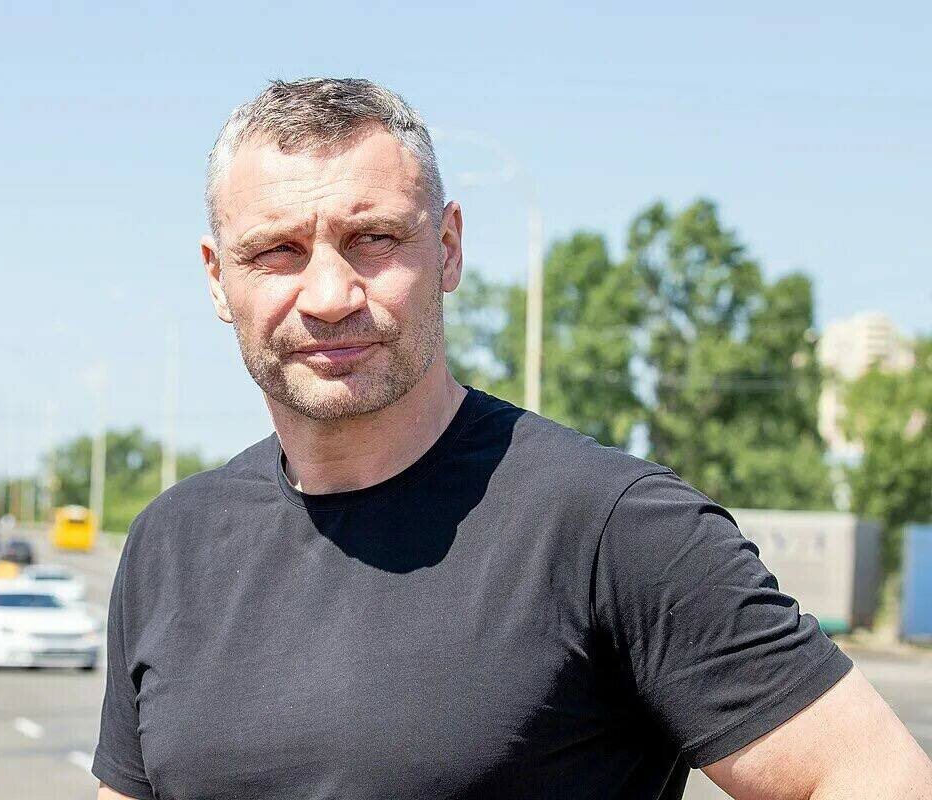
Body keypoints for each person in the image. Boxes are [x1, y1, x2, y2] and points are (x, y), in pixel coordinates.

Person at [93, 78, 932, 799]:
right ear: (218, 279)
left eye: (373, 239)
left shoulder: (612, 525)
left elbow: (874, 777)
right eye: (276, 250)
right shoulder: (171, 543)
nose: (329, 295)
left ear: (448, 248)